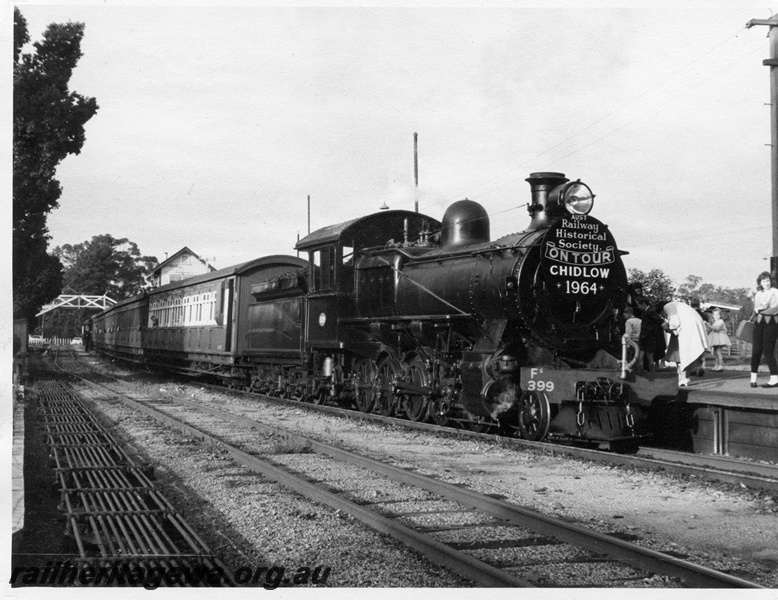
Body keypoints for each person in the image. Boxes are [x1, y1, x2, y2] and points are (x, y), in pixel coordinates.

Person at [661, 301, 709, 387]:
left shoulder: (668, 307)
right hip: (688, 328)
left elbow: (675, 324)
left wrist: (667, 327)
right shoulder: (680, 308)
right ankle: (683, 377)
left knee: (683, 356)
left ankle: (683, 378)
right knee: (684, 356)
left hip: (684, 332)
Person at [750, 271, 778, 388]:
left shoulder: (776, 292)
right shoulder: (757, 294)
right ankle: (753, 378)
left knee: (768, 350)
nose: (766, 283)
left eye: (768, 280)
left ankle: (774, 378)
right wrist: (759, 310)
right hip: (759, 323)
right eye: (764, 280)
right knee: (756, 351)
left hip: (771, 323)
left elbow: (774, 309)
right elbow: (755, 310)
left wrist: (761, 310)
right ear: (760, 282)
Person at [639, 301, 666, 372]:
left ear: (643, 304)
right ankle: (645, 372)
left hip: (648, 338)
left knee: (648, 357)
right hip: (645, 338)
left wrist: (651, 331)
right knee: (643, 356)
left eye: (639, 304)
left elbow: (659, 321)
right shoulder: (646, 312)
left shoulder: (650, 312)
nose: (638, 307)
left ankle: (652, 373)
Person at [622, 306, 642, 372]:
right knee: (638, 359)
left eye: (625, 314)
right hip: (640, 341)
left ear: (629, 313)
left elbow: (628, 334)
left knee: (630, 359)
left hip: (632, 342)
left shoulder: (629, 321)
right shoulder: (640, 320)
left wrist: (626, 344)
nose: (624, 316)